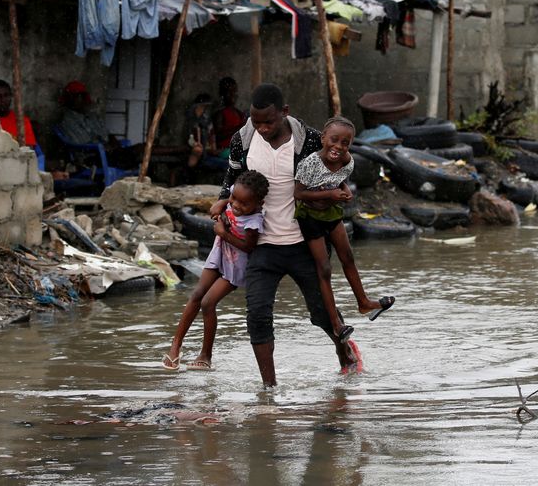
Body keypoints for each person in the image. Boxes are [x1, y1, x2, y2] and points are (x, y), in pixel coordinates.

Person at [210, 83, 361, 387]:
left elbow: (336, 173)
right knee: (257, 317)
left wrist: (338, 197)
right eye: (256, 122)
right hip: (262, 245)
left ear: (284, 113)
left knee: (321, 314)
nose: (262, 128)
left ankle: (347, 356)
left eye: (269, 121)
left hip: (304, 241)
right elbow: (233, 177)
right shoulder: (243, 139)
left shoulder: (310, 141)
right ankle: (269, 389)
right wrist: (223, 198)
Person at [293, 115, 395, 344]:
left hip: (331, 213)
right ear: (323, 139)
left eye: (345, 143)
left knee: (348, 256)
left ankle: (364, 303)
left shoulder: (347, 161)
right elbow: (298, 194)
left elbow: (339, 179)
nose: (338, 147)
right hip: (310, 216)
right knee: (325, 268)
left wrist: (344, 190)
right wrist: (330, 194)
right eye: (334, 140)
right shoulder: (310, 163)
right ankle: (336, 324)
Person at [163, 170, 269, 371]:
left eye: (243, 204)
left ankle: (206, 355)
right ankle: (175, 345)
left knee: (208, 303)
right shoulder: (235, 194)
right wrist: (221, 205)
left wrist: (223, 232)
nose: (236, 205)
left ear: (258, 204)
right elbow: (220, 204)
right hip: (219, 252)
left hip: (236, 264)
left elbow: (248, 247)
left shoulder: (254, 222)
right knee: (196, 294)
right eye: (234, 199)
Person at [57, 80, 141, 168]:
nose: (82, 100)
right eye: (77, 96)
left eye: (82, 96)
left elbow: (106, 133)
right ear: (69, 99)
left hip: (109, 153)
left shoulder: (92, 117)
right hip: (92, 158)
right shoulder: (67, 121)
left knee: (140, 150)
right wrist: (104, 146)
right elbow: (83, 144)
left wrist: (112, 140)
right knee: (137, 153)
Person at [0, 80, 38, 148]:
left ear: (11, 97)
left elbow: (28, 150)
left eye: (6, 96)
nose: (3, 100)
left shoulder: (23, 121)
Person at [213, 77, 247, 157]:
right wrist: (239, 128)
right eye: (229, 92)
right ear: (222, 95)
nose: (233, 94)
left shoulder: (239, 113)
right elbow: (217, 137)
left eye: (234, 91)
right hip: (224, 150)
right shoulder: (220, 114)